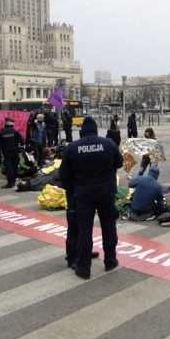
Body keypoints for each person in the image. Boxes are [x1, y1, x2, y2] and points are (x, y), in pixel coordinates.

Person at [59, 116, 123, 279]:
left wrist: (71, 191)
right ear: (95, 130)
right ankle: (110, 260)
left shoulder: (72, 148)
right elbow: (119, 163)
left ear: (81, 132)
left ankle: (83, 268)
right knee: (109, 227)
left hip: (83, 193)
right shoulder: (108, 144)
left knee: (84, 231)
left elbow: (64, 176)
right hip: (106, 192)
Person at [0, 118, 24, 189]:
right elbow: (22, 142)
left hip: (6, 153)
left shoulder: (1, 132)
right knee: (15, 167)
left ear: (5, 125)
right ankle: (14, 181)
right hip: (15, 152)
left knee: (9, 168)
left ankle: (10, 183)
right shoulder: (15, 132)